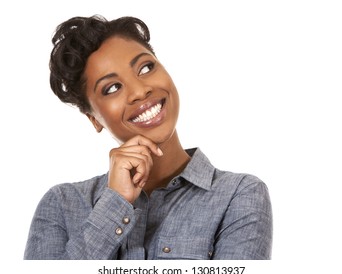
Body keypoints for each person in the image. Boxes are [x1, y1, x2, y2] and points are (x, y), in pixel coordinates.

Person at [24, 15, 272, 260]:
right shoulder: (61, 205)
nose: (140, 91)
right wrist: (115, 202)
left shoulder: (240, 195)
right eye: (112, 88)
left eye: (145, 67)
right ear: (94, 119)